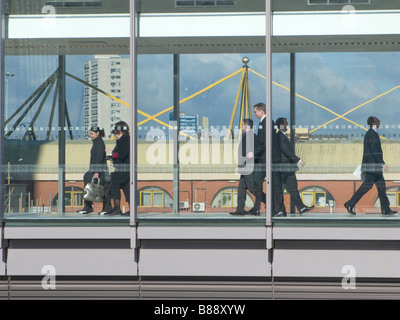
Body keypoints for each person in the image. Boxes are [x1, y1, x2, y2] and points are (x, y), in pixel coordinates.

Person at [344, 116, 397, 215]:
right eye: (378, 121)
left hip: (374, 167)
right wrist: (382, 164)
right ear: (374, 123)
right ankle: (350, 203)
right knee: (367, 186)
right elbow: (374, 151)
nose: (379, 123)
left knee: (381, 188)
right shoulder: (372, 134)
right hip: (373, 167)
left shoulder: (371, 133)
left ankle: (385, 209)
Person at [274, 117, 314, 216]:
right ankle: (279, 210)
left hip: (288, 168)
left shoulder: (282, 136)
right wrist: (299, 160)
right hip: (283, 168)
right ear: (281, 125)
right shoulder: (279, 136)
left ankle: (301, 207)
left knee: (293, 187)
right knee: (279, 189)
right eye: (285, 123)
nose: (287, 125)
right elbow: (287, 152)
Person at [78, 126, 112, 214]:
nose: (91, 136)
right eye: (90, 134)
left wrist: (96, 172)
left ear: (97, 133)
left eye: (92, 134)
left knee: (104, 188)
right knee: (88, 181)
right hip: (95, 169)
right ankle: (88, 206)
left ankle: (106, 207)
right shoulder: (96, 142)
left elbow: (99, 157)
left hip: (99, 170)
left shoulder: (99, 143)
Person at [230, 119, 257, 216]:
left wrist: (249, 157)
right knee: (241, 189)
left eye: (242, 125)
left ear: (247, 126)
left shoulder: (251, 136)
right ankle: (240, 210)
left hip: (248, 167)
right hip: (244, 167)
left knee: (252, 188)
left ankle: (271, 203)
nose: (241, 127)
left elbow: (253, 151)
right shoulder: (246, 136)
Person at [106, 121, 130, 216]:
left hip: (123, 169)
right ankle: (129, 209)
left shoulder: (124, 140)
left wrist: (111, 153)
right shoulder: (123, 140)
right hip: (123, 168)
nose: (115, 135)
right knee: (126, 188)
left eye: (116, 133)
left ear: (120, 132)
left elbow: (121, 154)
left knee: (114, 184)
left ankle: (117, 208)